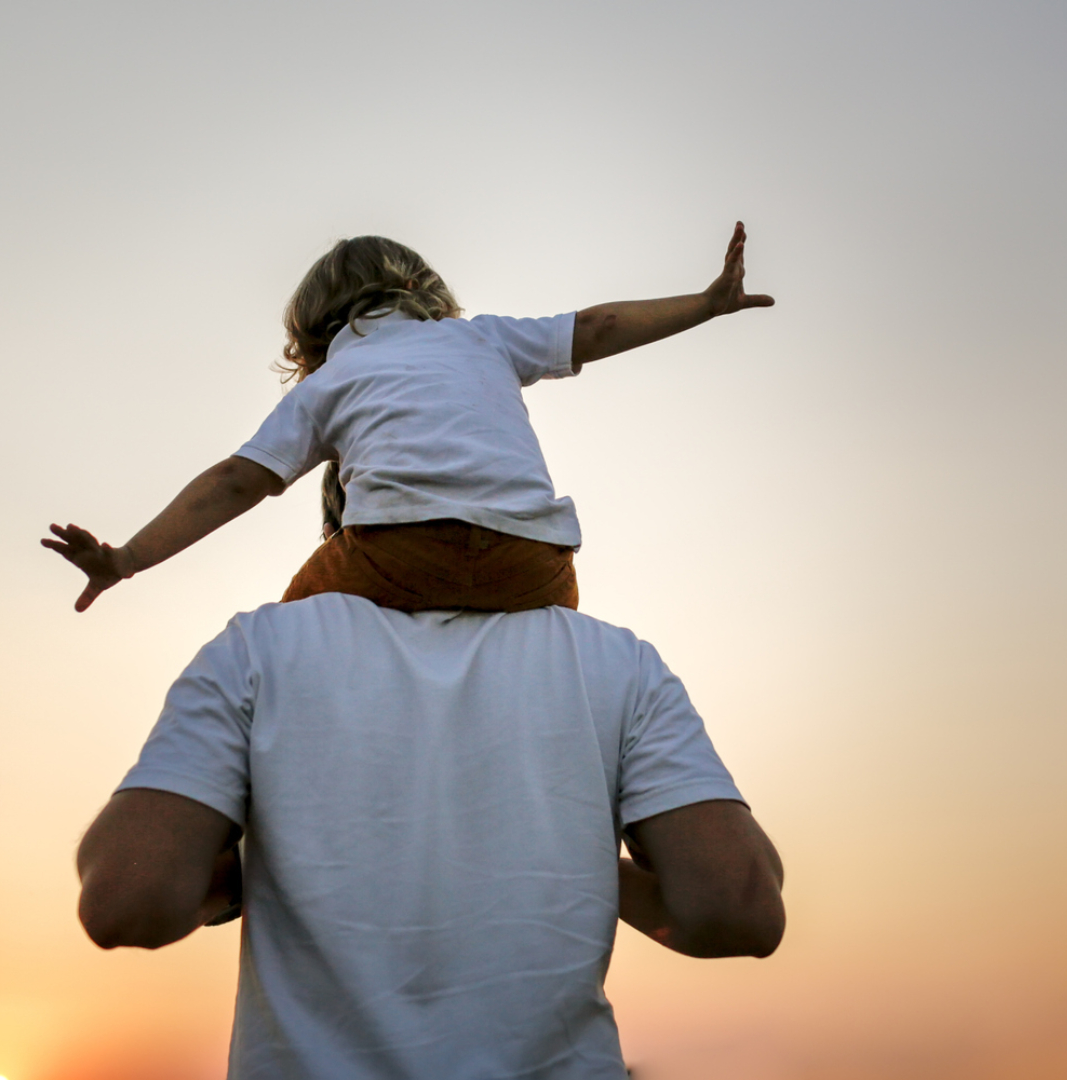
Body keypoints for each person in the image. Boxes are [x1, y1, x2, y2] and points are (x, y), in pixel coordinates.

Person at [75, 594, 786, 1078]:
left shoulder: (257, 650)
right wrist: (566, 851)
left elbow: (128, 899)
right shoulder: (618, 665)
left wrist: (266, 863)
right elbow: (735, 906)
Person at [43, 223, 774, 614]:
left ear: (314, 324)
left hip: (397, 553)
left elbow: (237, 482)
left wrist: (126, 559)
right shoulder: (481, 336)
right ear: (426, 289)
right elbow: (597, 326)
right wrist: (704, 305)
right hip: (538, 569)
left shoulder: (333, 379)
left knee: (285, 639)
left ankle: (237, 837)